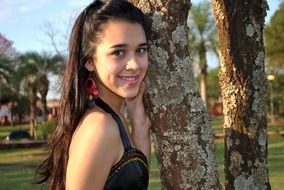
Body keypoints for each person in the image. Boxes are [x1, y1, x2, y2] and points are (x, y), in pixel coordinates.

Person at [36, 0, 151, 189]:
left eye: (140, 50)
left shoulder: (113, 118)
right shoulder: (100, 127)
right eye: (119, 52)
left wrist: (139, 123)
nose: (135, 65)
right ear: (89, 61)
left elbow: (138, 182)